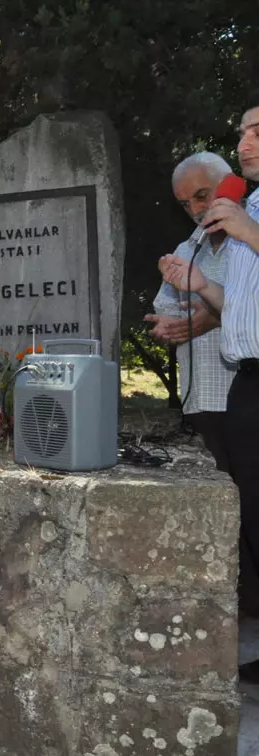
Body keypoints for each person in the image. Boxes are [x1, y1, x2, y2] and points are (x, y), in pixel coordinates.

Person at [158, 94, 259, 660]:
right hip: (244, 381)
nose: (245, 143)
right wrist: (198, 287)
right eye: (243, 131)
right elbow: (239, 303)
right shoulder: (250, 213)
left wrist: (245, 230)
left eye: (258, 133)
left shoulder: (246, 221)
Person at [144, 153, 236, 471]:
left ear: (231, 186)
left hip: (243, 393)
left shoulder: (249, 240)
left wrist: (212, 316)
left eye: (201, 195)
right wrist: (168, 327)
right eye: (185, 204)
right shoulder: (186, 250)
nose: (196, 210)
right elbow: (167, 307)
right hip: (201, 398)